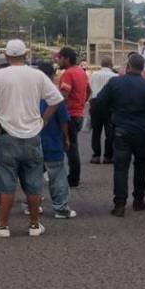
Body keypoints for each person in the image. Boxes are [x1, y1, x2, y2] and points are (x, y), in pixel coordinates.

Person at [0, 40, 64, 237]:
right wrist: (43, 120)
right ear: (25, 55)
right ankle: (34, 225)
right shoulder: (37, 75)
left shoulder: (1, 74)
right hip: (32, 134)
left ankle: (2, 226)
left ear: (7, 57)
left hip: (7, 134)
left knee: (7, 182)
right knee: (34, 183)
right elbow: (56, 99)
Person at [95, 53, 145, 217]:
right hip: (142, 131)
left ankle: (119, 204)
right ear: (142, 68)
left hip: (121, 129)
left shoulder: (115, 82)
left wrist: (111, 115)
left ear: (128, 66)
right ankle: (139, 200)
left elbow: (99, 102)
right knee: (141, 166)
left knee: (120, 168)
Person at [36, 62, 74, 219]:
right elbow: (63, 120)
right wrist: (66, 138)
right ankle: (60, 208)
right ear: (52, 76)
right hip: (53, 140)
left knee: (33, 175)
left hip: (33, 140)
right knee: (57, 175)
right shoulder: (55, 95)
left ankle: (31, 205)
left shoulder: (31, 93)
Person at [56, 47, 88, 188]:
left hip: (69, 115)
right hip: (79, 113)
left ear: (66, 58)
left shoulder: (68, 74)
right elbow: (89, 90)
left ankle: (73, 178)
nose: (58, 60)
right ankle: (73, 176)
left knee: (69, 147)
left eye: (60, 58)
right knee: (71, 147)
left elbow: (63, 95)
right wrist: (80, 103)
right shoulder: (81, 72)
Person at [88, 58, 116, 164]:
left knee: (96, 131)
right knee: (110, 132)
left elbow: (89, 88)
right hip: (109, 104)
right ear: (110, 64)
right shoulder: (114, 76)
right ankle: (108, 156)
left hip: (95, 103)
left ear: (101, 64)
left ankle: (96, 155)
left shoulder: (94, 74)